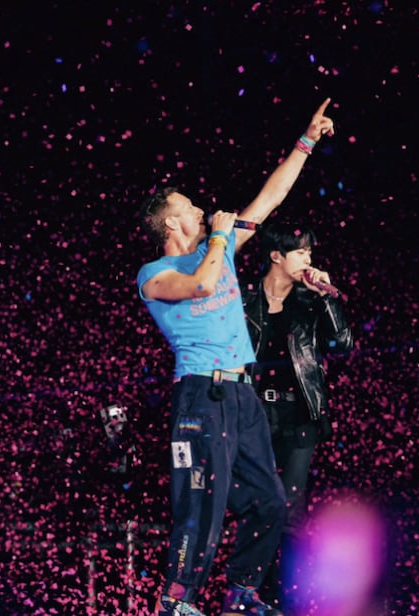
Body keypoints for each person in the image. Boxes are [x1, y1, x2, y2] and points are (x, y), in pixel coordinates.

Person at [136, 99, 335, 616]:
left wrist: (306, 142)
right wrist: (222, 237)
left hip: (243, 396)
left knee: (270, 501)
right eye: (188, 208)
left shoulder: (219, 250)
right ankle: (176, 602)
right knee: (202, 502)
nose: (200, 210)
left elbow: (270, 198)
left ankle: (240, 594)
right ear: (169, 222)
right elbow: (201, 286)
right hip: (202, 394)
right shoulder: (155, 274)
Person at [240, 221, 354, 615]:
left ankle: (282, 600)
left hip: (299, 414)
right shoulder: (244, 297)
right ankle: (248, 595)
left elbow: (343, 345)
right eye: (301, 251)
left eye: (309, 251)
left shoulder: (309, 301)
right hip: (253, 414)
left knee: (290, 509)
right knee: (259, 505)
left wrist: (326, 298)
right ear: (276, 255)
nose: (309, 259)